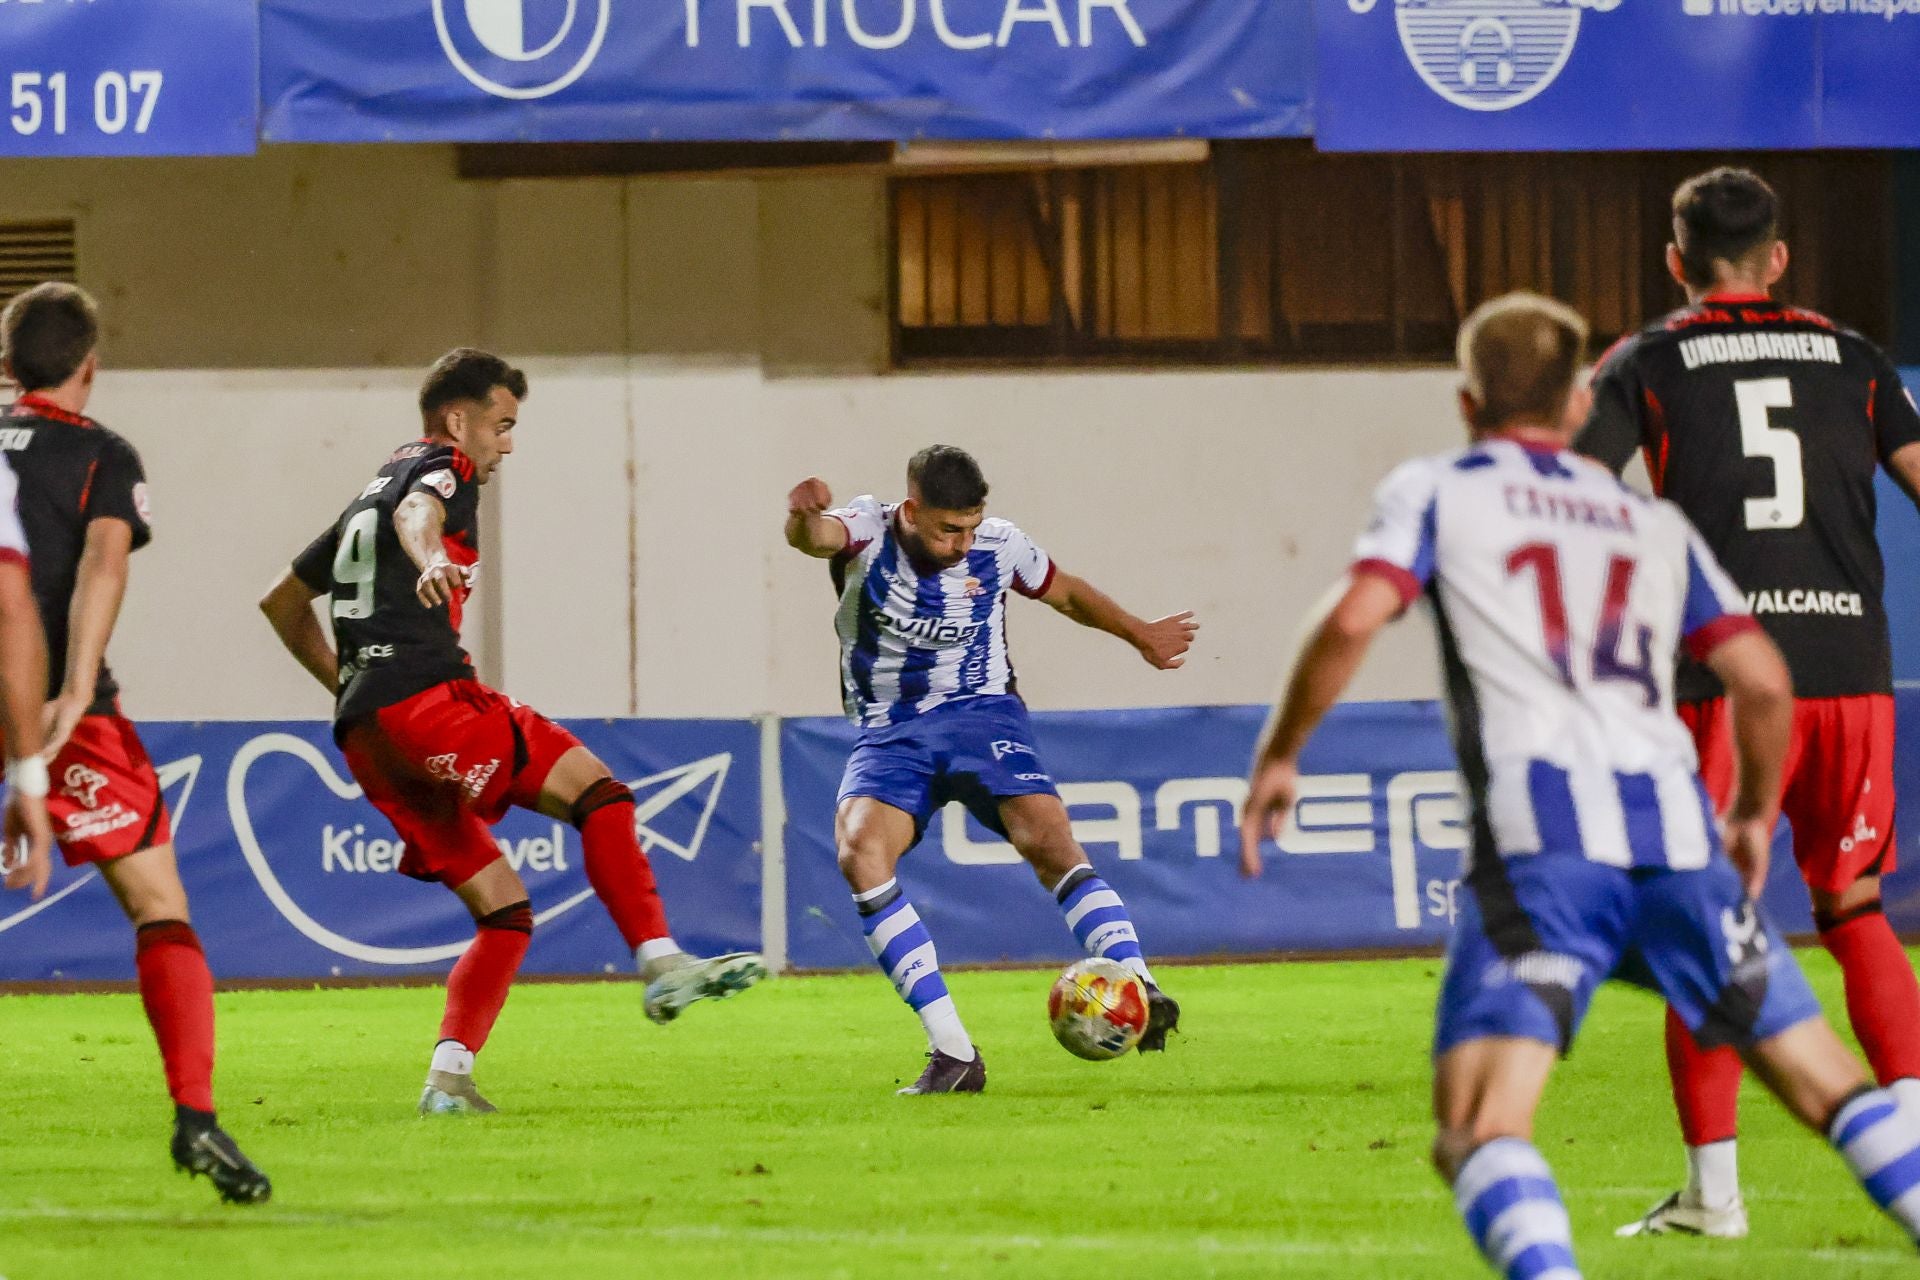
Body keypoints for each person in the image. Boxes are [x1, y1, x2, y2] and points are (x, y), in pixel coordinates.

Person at [1241, 292, 1920, 1279]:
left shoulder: (1441, 487)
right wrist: (1750, 813)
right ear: (1573, 408)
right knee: (1829, 1085)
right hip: (1680, 842)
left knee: (1477, 1126)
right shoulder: (1652, 526)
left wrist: (1280, 754)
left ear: (1469, 403)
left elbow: (1353, 618)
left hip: (1544, 846)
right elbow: (1763, 679)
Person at [259, 348, 766, 1116]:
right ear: (459, 420)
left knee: (504, 911)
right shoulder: (441, 470)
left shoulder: (366, 493)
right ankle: (661, 961)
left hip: (367, 733)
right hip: (430, 698)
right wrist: (429, 558)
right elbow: (418, 514)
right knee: (602, 794)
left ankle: (448, 1081)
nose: (507, 444)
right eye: (502, 424)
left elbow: (281, 604)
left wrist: (354, 686)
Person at [1576, 166, 1920, 1237]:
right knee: (1854, 901)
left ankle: (1713, 1194)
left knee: (1703, 924)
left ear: (1677, 264)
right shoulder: (1858, 358)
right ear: (1779, 259)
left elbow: (1571, 487)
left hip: (1725, 679)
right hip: (1854, 669)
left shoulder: (1645, 359)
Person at [785, 445, 1197, 1094]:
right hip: (892, 732)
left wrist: (1139, 633)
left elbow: (1066, 593)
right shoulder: (867, 528)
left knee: (1050, 842)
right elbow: (816, 537)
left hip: (983, 718)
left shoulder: (998, 546)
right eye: (950, 529)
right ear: (913, 511)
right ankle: (953, 1054)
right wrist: (803, 515)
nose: (962, 544)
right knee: (860, 850)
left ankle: (1137, 986)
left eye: (972, 528)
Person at [0, 283, 269, 1202]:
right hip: (63, 712)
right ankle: (196, 1117)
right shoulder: (101, 455)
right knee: (161, 911)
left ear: (5, 368)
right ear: (89, 366)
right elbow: (103, 566)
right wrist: (75, 686)